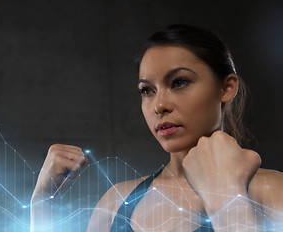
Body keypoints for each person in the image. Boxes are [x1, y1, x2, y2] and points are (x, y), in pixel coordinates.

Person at [30, 24, 283, 232]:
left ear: (226, 87)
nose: (159, 105)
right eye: (147, 91)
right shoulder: (117, 203)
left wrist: (227, 196)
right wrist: (41, 203)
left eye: (180, 82)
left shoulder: (273, 191)